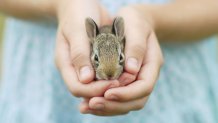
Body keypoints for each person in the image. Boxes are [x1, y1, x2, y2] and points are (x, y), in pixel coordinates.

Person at [0, 0, 217, 122]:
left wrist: (153, 19)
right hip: (41, 86)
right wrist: (61, 5)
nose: (111, 72)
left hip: (179, 84)